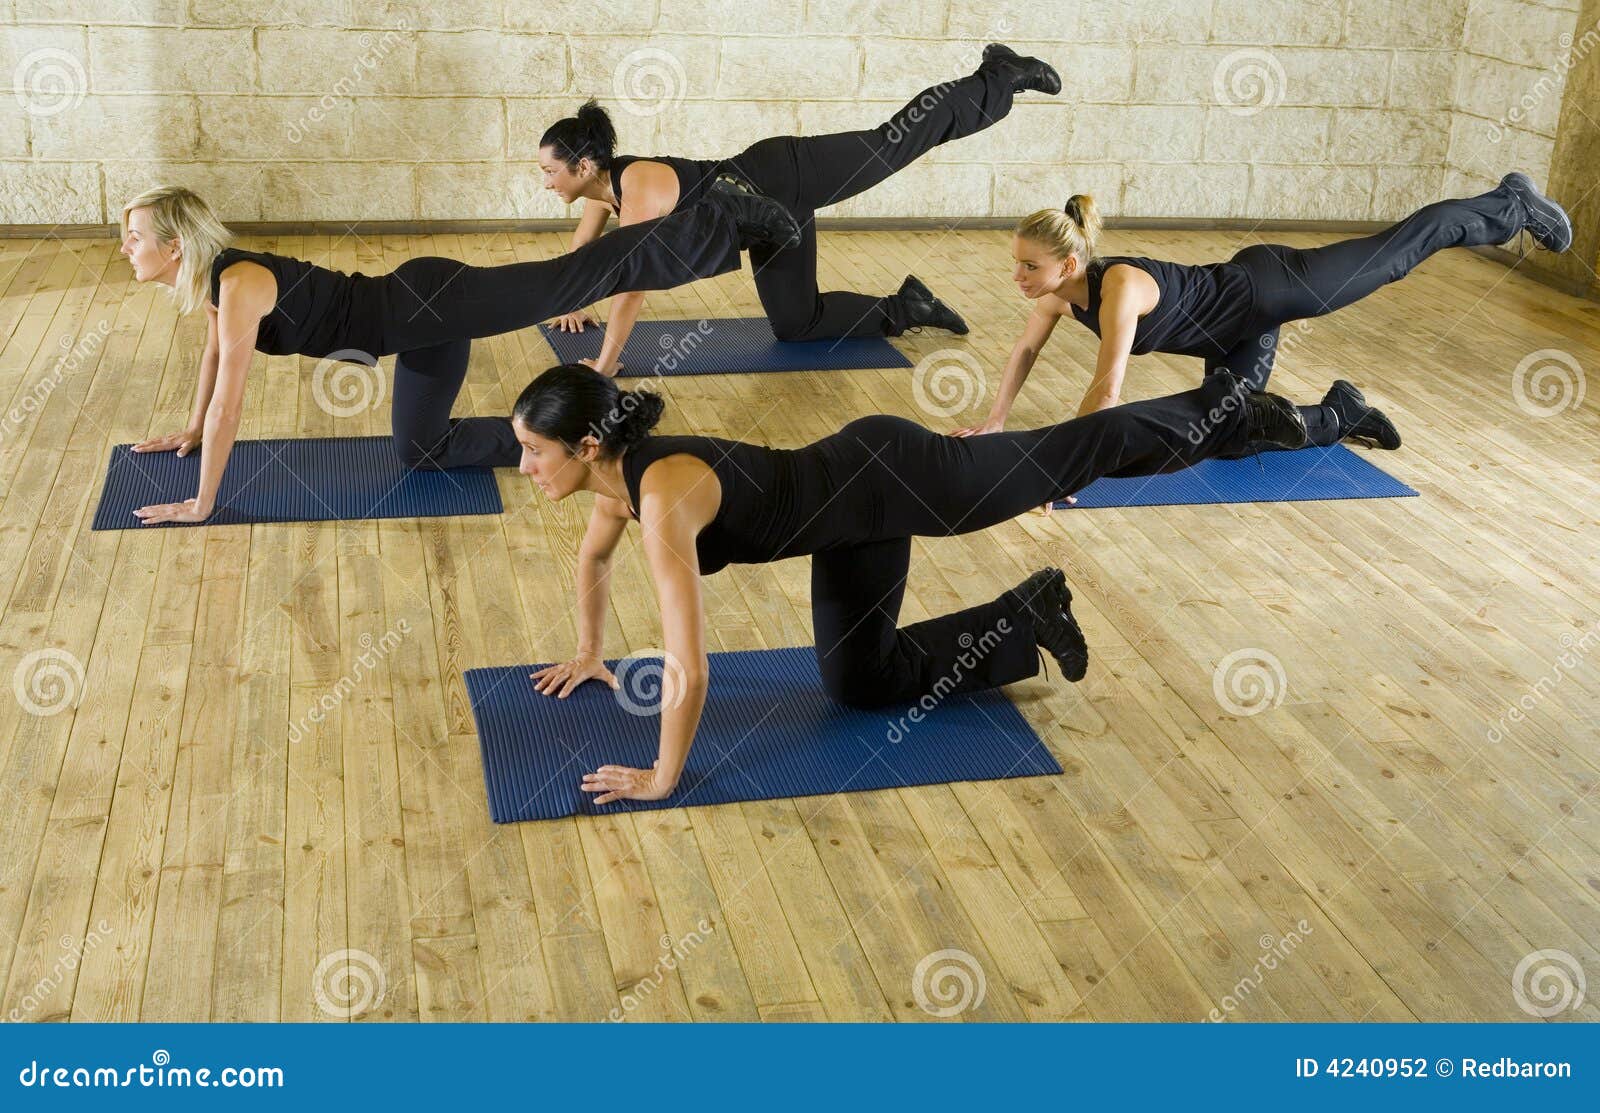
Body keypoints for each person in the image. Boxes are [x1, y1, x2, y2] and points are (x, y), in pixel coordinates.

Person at [509, 363, 1310, 805]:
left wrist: (663, 776)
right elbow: (593, 561)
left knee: (1076, 451)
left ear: (584, 444)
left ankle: (1240, 417)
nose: (523, 467)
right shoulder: (612, 486)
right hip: (852, 521)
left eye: (534, 451)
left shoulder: (663, 495)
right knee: (860, 682)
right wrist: (587, 651)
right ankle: (1025, 619)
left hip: (899, 476)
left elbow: (689, 664)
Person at [118, 177, 801, 523]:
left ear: (173, 246)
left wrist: (203, 501)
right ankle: (581, 437)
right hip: (418, 330)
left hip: (428, 301)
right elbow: (213, 359)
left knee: (576, 277)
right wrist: (187, 426)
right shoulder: (216, 284)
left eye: (133, 237)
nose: (125, 249)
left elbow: (231, 407)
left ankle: (726, 219)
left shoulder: (238, 283)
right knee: (421, 449)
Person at [537, 43, 1063, 374]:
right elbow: (583, 251)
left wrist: (607, 362)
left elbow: (633, 283)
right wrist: (569, 302)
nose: (546, 183)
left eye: (549, 171)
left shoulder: (640, 186)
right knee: (795, 322)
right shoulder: (602, 191)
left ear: (583, 164)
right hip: (767, 224)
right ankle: (910, 308)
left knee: (894, 142)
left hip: (785, 172)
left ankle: (997, 74)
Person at [953, 173, 1575, 449]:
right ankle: (1340, 414)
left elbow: (1108, 386)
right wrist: (996, 420)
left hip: (1270, 287)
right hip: (1233, 337)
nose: (1017, 278)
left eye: (1028, 267)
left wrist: (1062, 473)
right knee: (1230, 434)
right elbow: (1025, 350)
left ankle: (1509, 205)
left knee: (1391, 257)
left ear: (1066, 264)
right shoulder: (1060, 295)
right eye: (1016, 263)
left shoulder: (1118, 288)